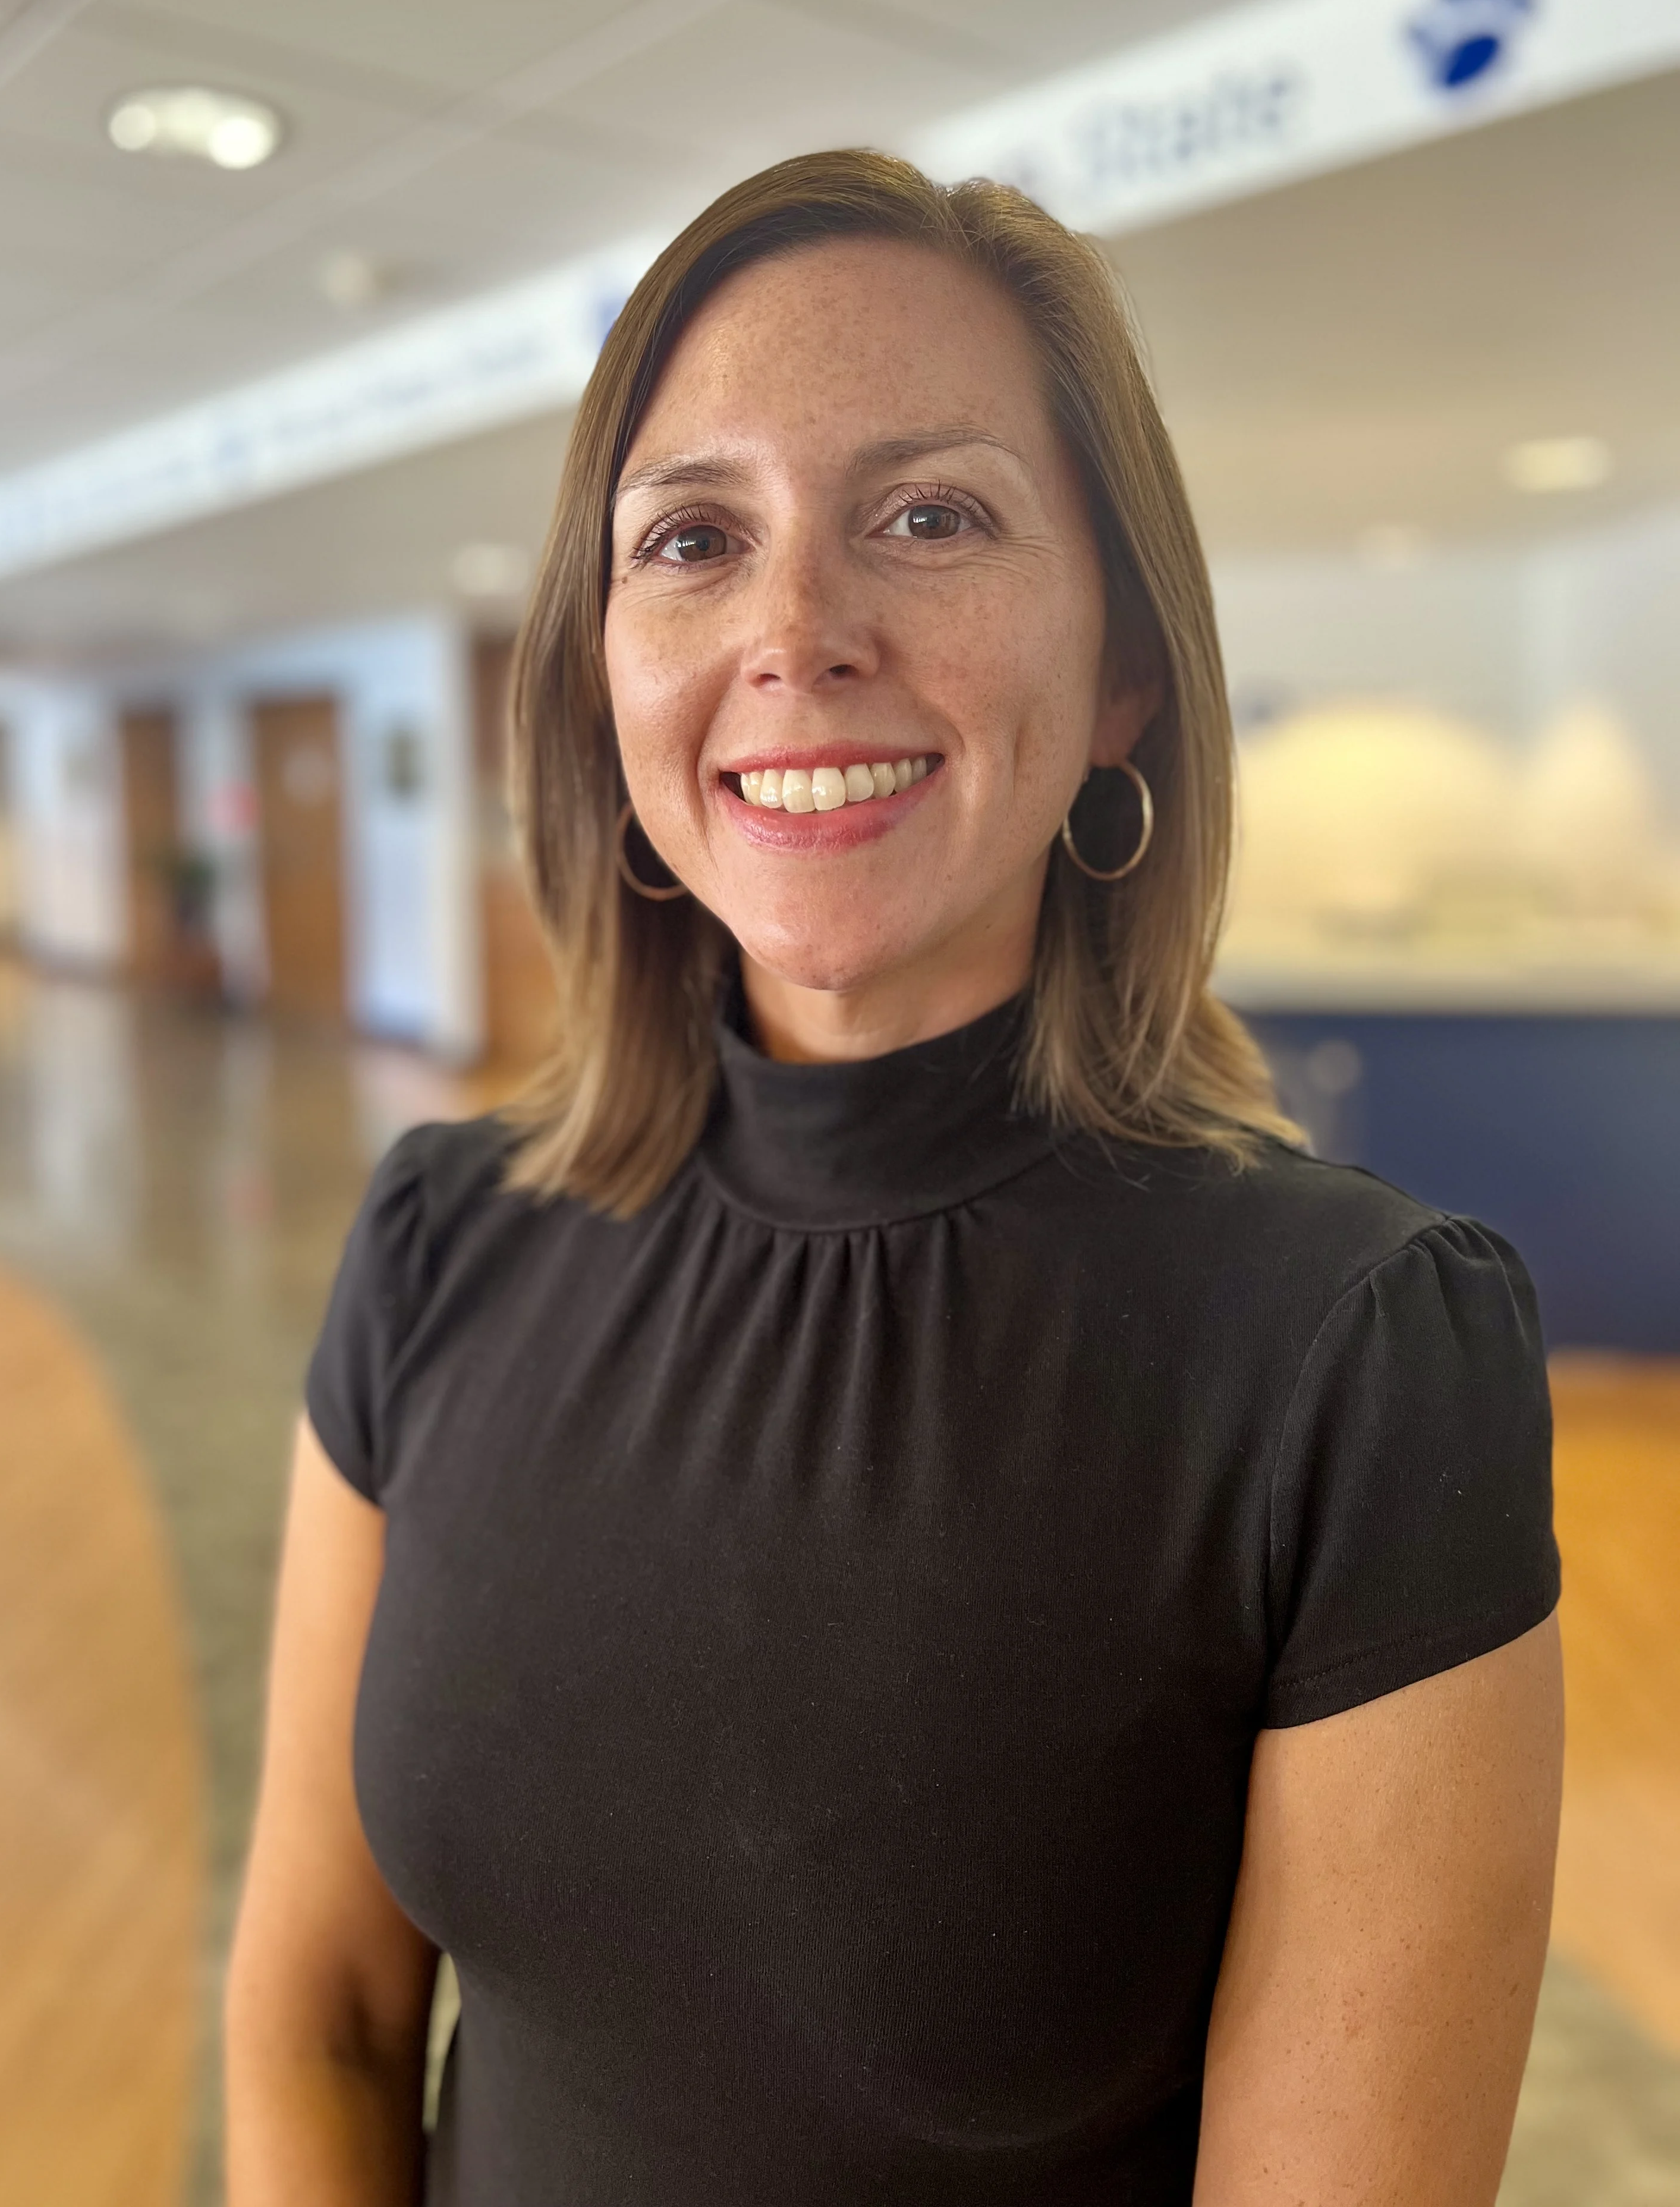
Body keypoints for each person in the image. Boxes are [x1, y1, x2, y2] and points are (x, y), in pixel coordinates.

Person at [225, 150, 1562, 2206]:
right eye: (690, 539)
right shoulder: (439, 1241)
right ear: (607, 681)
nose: (794, 632)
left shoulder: (1360, 1355)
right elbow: (321, 2014)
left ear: (1124, 668)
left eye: (930, 516)